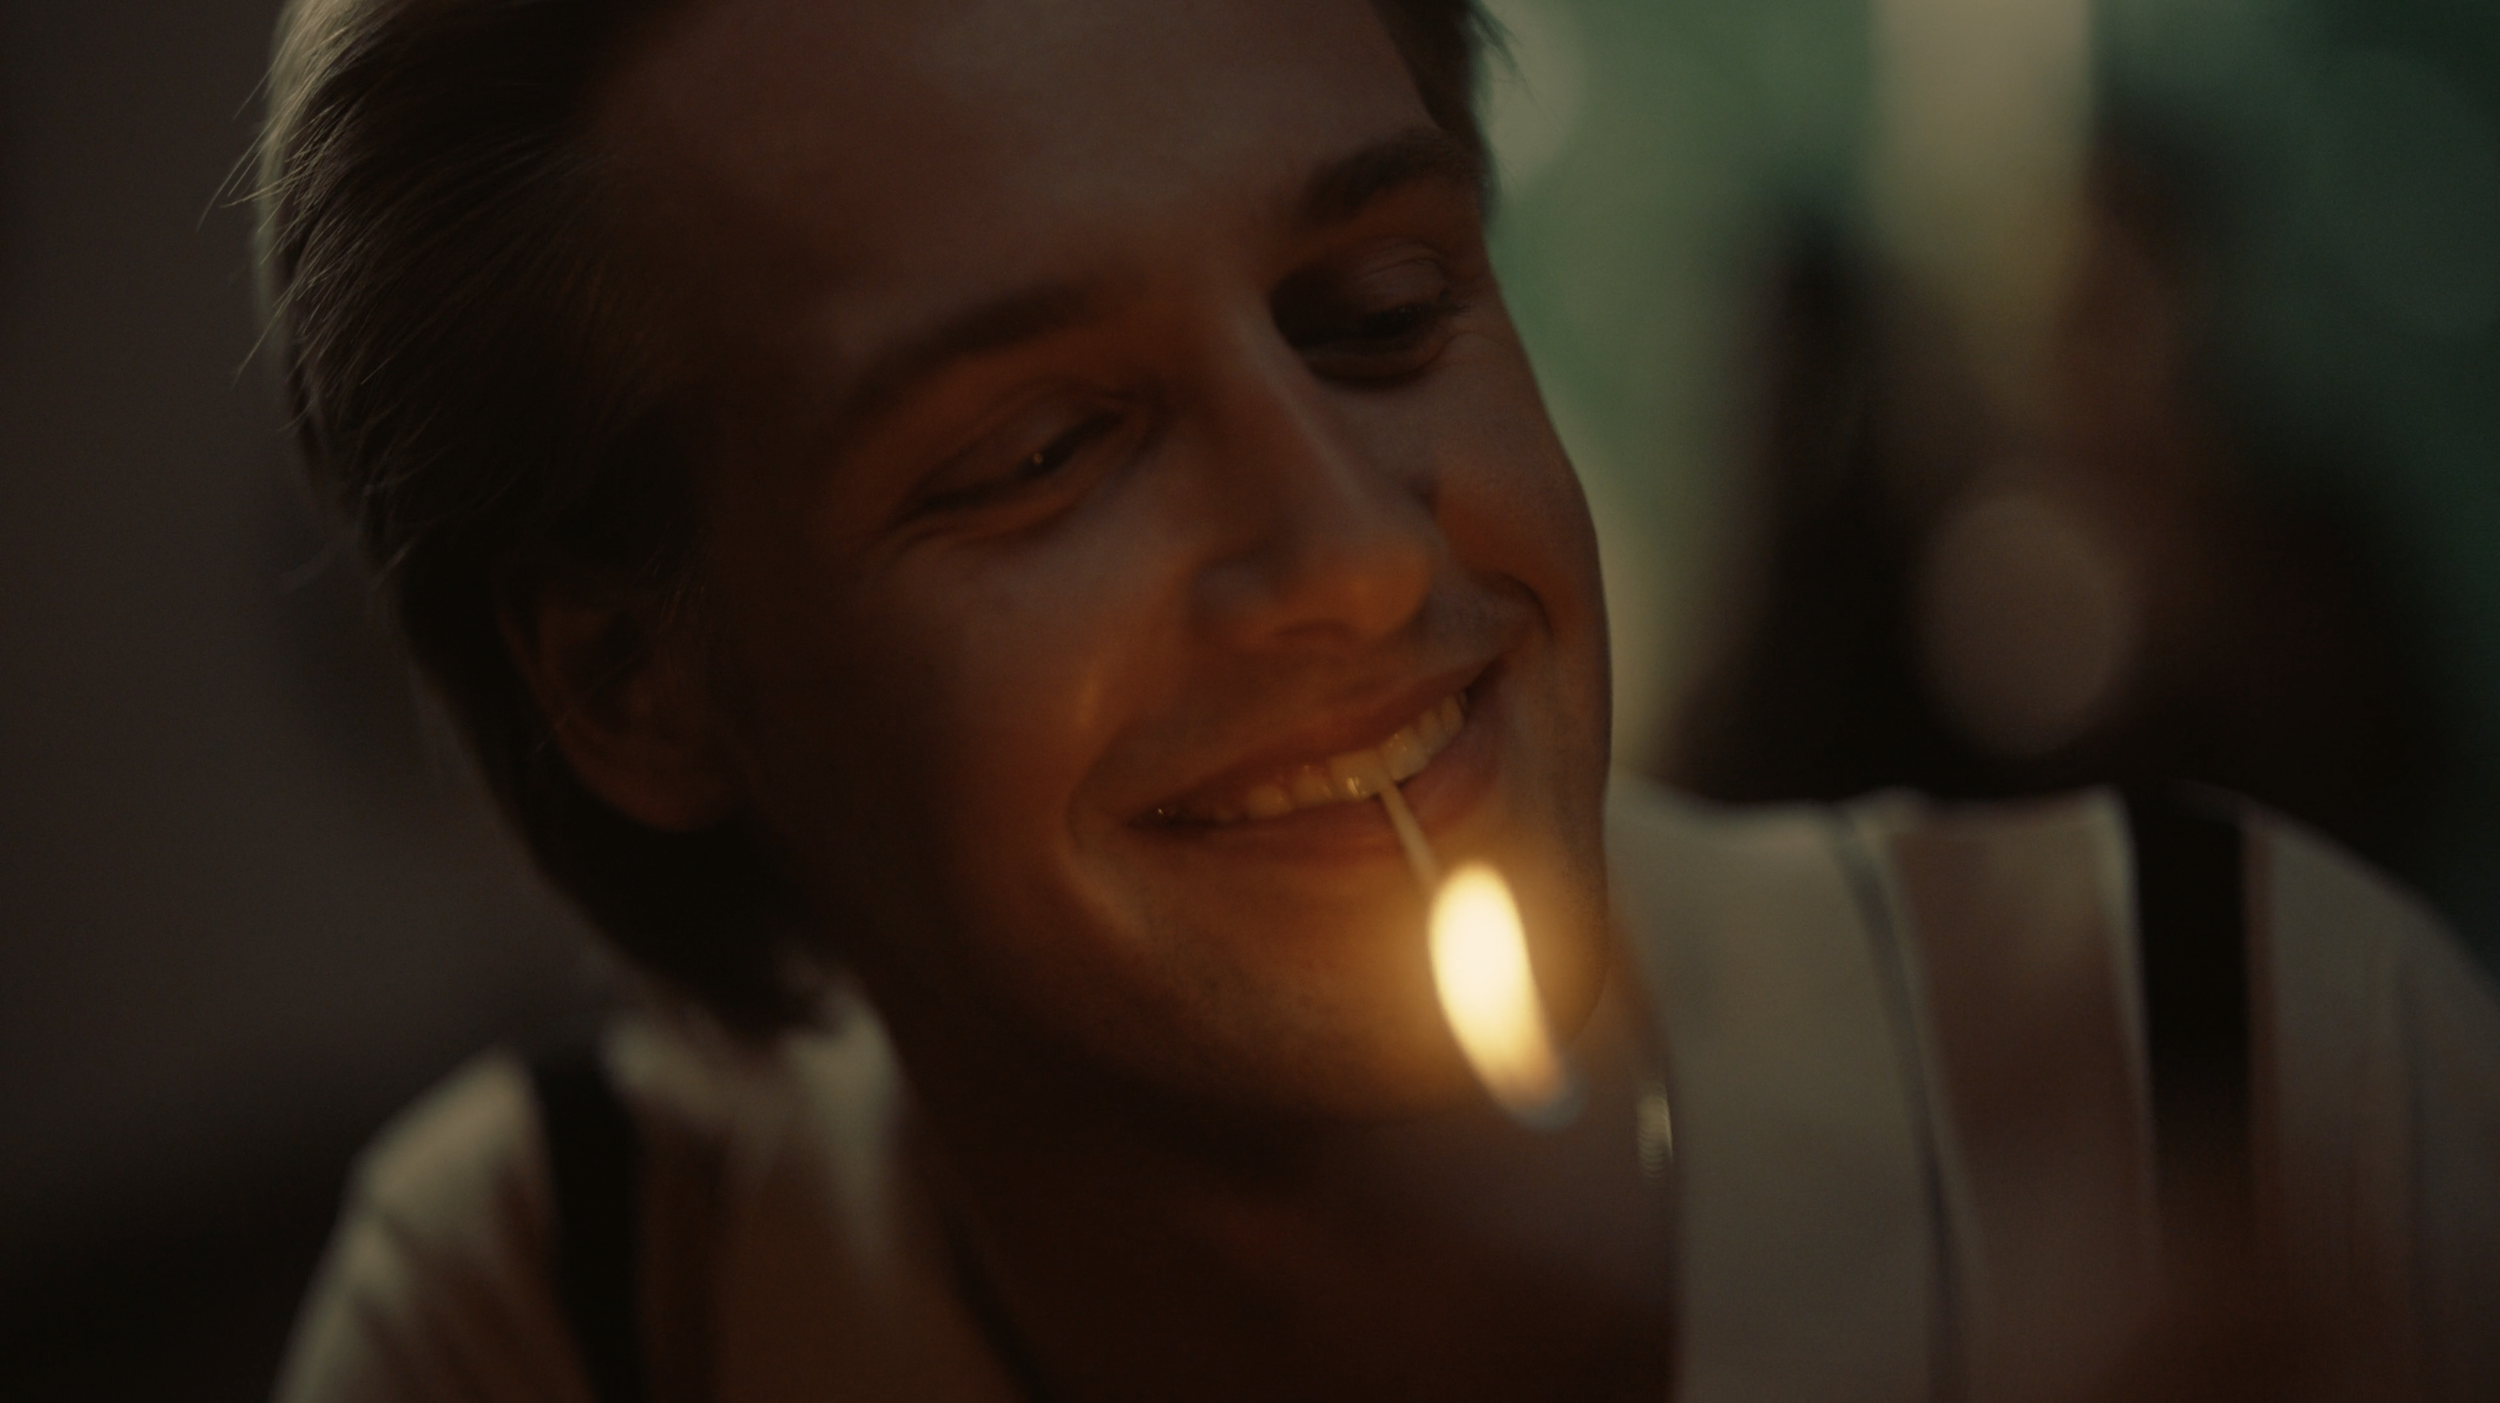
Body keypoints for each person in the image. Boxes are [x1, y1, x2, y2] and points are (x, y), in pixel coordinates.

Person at [255, 0, 2500, 1399]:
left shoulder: (2233, 1057)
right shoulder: (565, 1304)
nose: (1356, 554)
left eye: (1379, 309)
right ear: (634, 679)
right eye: (1038, 449)